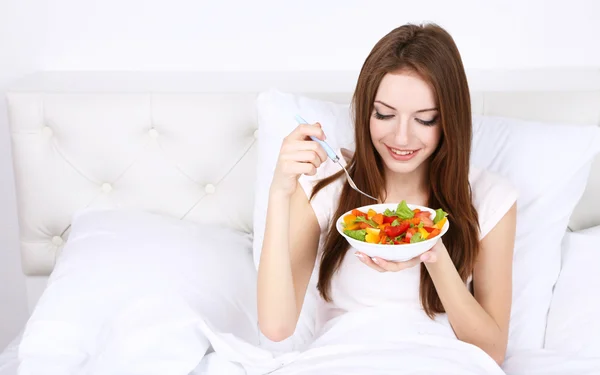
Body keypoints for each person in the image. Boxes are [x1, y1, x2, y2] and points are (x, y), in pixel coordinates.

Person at [257, 21, 518, 369]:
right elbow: (276, 327)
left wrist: (433, 253)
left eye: (425, 120)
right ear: (367, 111)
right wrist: (279, 192)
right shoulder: (328, 185)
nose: (402, 138)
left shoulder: (489, 198)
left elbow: (492, 352)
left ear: (449, 121)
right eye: (384, 114)